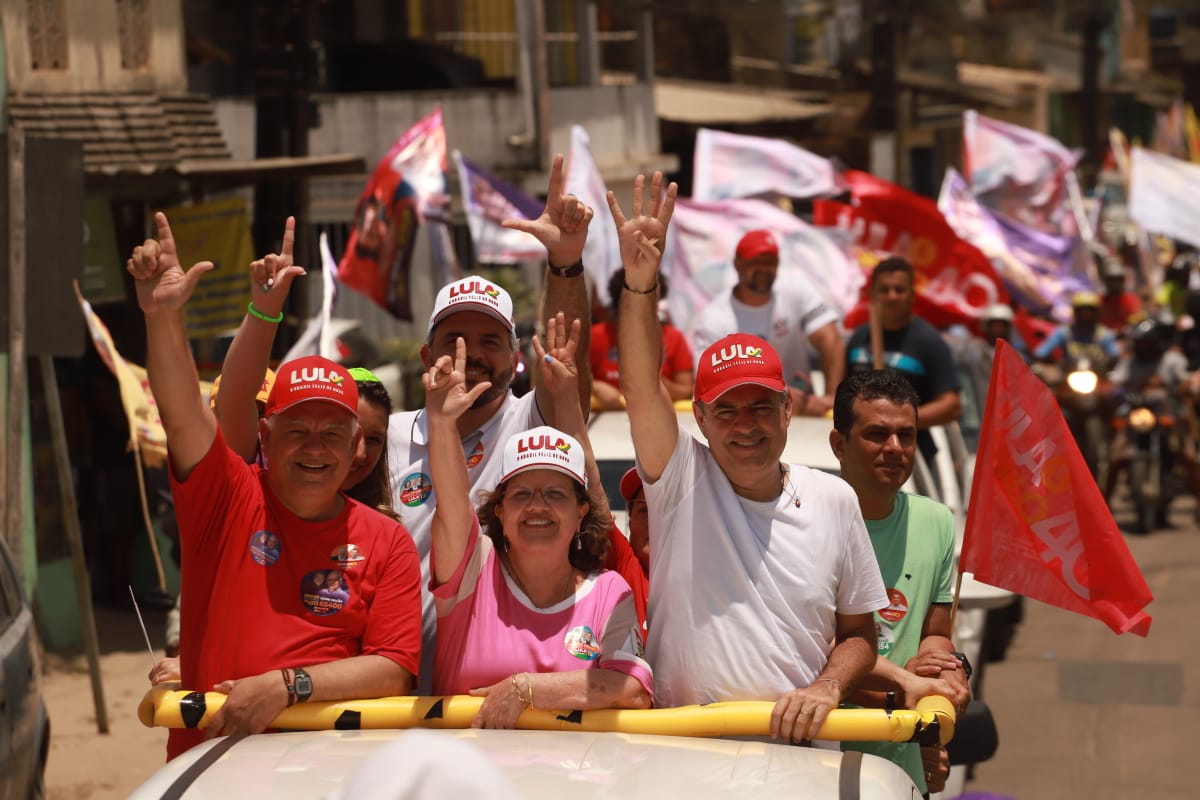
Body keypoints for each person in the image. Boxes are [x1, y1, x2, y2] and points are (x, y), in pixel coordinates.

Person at [130, 213, 422, 760]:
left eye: (333, 433)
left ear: (356, 444)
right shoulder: (226, 496)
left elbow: (393, 669)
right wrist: (164, 317)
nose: (316, 447)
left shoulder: (388, 541)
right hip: (211, 764)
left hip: (334, 771)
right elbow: (182, 411)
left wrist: (288, 685)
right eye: (298, 430)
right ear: (266, 434)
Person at [610, 172, 886, 745]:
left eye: (760, 405)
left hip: (801, 763)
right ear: (701, 420)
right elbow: (640, 386)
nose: (745, 424)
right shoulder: (682, 480)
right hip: (683, 758)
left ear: (788, 411)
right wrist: (641, 284)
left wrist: (828, 688)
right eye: (726, 410)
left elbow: (860, 633)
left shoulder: (834, 499)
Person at [388, 154, 596, 693]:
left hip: (486, 695)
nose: (469, 355)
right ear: (422, 353)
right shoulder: (385, 436)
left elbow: (569, 361)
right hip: (383, 693)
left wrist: (565, 264)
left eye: (488, 342)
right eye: (453, 340)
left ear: (515, 357)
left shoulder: (534, 427)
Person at [423, 325, 651, 727]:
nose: (538, 506)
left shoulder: (610, 591)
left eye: (556, 494)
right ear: (501, 511)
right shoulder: (473, 572)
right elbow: (452, 500)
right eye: (522, 494)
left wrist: (524, 688)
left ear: (582, 510)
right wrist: (442, 425)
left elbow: (632, 690)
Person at [829, 370, 971, 795]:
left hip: (904, 772)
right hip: (817, 763)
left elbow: (936, 634)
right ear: (839, 445)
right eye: (877, 434)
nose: (894, 449)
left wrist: (945, 672)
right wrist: (903, 694)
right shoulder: (804, 522)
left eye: (906, 436)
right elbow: (813, 655)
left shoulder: (937, 522)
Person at [691, 229, 845, 416]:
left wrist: (832, 397)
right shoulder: (715, 318)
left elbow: (830, 338)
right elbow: (708, 379)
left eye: (770, 262)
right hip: (748, 415)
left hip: (804, 412)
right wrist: (778, 395)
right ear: (737, 264)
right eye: (755, 262)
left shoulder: (795, 289)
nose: (763, 269)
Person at [845, 257, 962, 465]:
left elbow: (951, 405)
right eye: (884, 289)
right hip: (861, 456)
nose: (892, 296)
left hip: (913, 461)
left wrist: (900, 421)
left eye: (899, 290)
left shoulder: (928, 341)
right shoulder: (859, 338)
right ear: (872, 294)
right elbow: (842, 394)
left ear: (912, 296)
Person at [591, 268, 693, 410]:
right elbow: (572, 379)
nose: (646, 297)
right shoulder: (597, 335)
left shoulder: (674, 337)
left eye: (651, 291)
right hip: (602, 424)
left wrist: (658, 384)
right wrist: (595, 387)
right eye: (639, 290)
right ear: (620, 294)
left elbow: (687, 391)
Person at [1032, 290, 1120, 369]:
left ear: (1097, 312)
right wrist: (1044, 358)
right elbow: (1042, 352)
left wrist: (1109, 363)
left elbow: (1114, 354)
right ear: (1075, 312)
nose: (1086, 314)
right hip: (1068, 377)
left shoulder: (1104, 334)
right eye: (1082, 311)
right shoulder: (1064, 332)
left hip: (1098, 377)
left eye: (1090, 311)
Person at [618, 468, 649, 577]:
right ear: (630, 521)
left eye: (666, 510)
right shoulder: (621, 566)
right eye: (644, 510)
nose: (653, 522)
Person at [1099, 257, 1143, 334]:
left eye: (1118, 279)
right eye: (1112, 279)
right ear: (1106, 280)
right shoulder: (1100, 301)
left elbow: (1137, 319)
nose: (1115, 283)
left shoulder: (1131, 299)